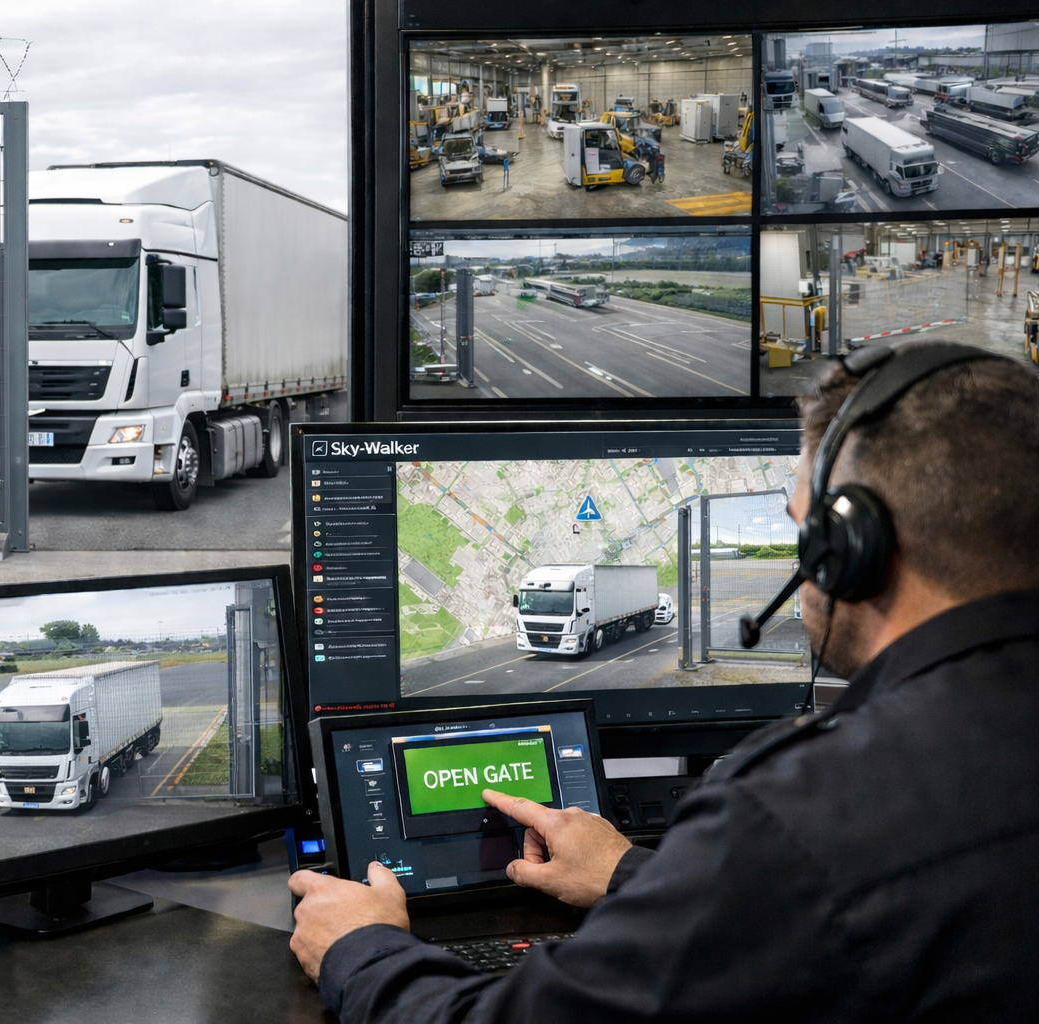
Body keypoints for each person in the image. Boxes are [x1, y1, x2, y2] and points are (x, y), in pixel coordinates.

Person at [289, 343, 1039, 1021]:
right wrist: (634, 873)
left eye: (801, 530)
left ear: (851, 550)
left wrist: (362, 946)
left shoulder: (803, 811)